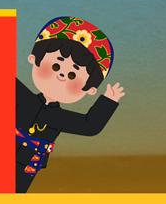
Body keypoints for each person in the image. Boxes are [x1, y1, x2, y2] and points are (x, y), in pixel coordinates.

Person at [16, 15, 125, 192]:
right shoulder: (23, 97)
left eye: (73, 75)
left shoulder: (58, 117)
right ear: (33, 59)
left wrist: (108, 101)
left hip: (26, 166)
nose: (61, 75)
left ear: (90, 90)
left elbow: (90, 125)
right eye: (56, 66)